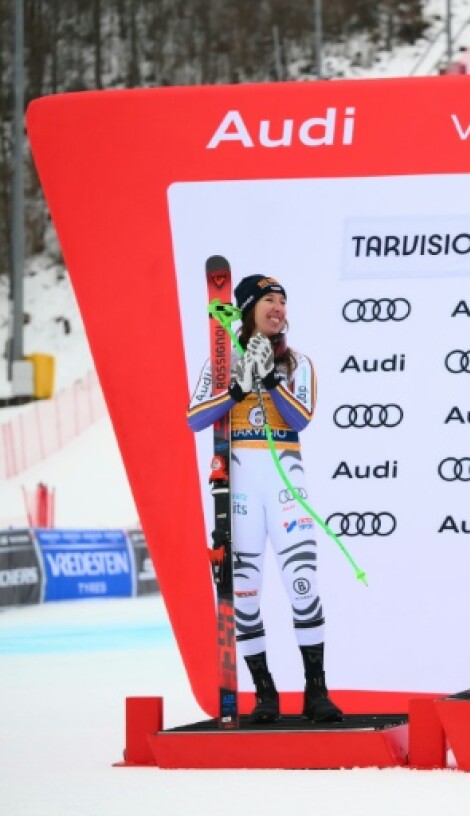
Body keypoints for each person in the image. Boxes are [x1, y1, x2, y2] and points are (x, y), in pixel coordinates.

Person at [186, 274, 342, 724]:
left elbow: (302, 417)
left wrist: (271, 379)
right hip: (240, 486)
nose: (279, 308)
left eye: (283, 301)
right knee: (246, 594)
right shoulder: (221, 362)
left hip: (285, 482)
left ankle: (316, 692)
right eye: (269, 300)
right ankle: (265, 694)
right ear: (249, 308)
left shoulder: (298, 362)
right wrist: (237, 387)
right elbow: (195, 418)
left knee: (303, 584)